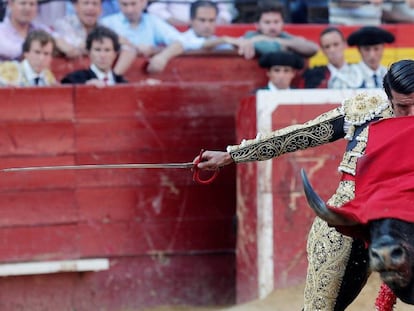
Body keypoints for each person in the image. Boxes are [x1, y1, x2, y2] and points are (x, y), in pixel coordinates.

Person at [193, 58, 414, 310]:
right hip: (347, 219)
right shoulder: (365, 111)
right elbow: (301, 135)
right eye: (403, 107)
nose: (411, 115)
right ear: (388, 98)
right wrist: (232, 155)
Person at [100, 0, 185, 73]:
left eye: (133, 4)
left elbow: (181, 42)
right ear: (118, 3)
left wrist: (163, 56)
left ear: (143, 2)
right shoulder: (106, 23)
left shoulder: (152, 21)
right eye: (124, 4)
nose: (129, 10)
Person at [241, 1, 319, 58]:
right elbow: (271, 50)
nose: (272, 27)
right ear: (257, 25)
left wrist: (281, 41)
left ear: (283, 23)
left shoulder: (283, 36)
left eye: (276, 22)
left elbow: (313, 48)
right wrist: (288, 45)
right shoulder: (250, 35)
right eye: (267, 22)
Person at [182, 0, 254, 58]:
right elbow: (196, 45)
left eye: (211, 20)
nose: (207, 25)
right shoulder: (181, 39)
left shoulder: (221, 43)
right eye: (202, 20)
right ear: (191, 21)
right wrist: (225, 39)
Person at [61, 25, 127, 85]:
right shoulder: (74, 80)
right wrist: (84, 88)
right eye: (97, 50)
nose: (102, 55)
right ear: (89, 53)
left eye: (107, 50)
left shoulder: (122, 83)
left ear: (115, 54)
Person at [146, 0, 236, 26]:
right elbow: (153, 9)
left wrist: (220, 21)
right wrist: (173, 21)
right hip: (177, 29)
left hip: (210, 30)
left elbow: (225, 12)